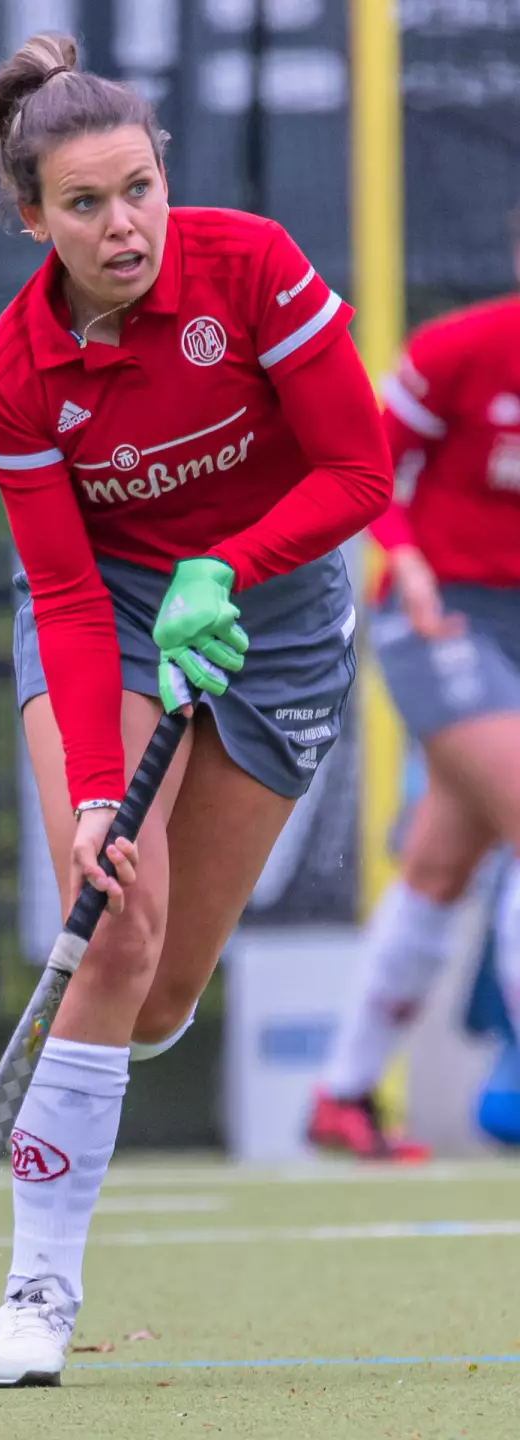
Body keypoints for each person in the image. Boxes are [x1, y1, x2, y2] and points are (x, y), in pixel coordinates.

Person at [0, 33, 391, 1388]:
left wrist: (231, 566)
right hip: (115, 606)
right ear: (32, 218)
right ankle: (36, 1295)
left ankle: (106, 1041)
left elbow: (360, 472)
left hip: (278, 619)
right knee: (112, 922)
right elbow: (63, 593)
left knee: (156, 999)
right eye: (85, 204)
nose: (124, 226)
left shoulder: (250, 266)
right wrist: (98, 793)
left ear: (163, 173)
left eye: (138, 188)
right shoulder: (11, 371)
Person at [308, 258, 520, 1160]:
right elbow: (365, 463)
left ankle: (343, 1096)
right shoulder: (460, 350)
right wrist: (406, 555)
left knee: (440, 865)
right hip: (441, 615)